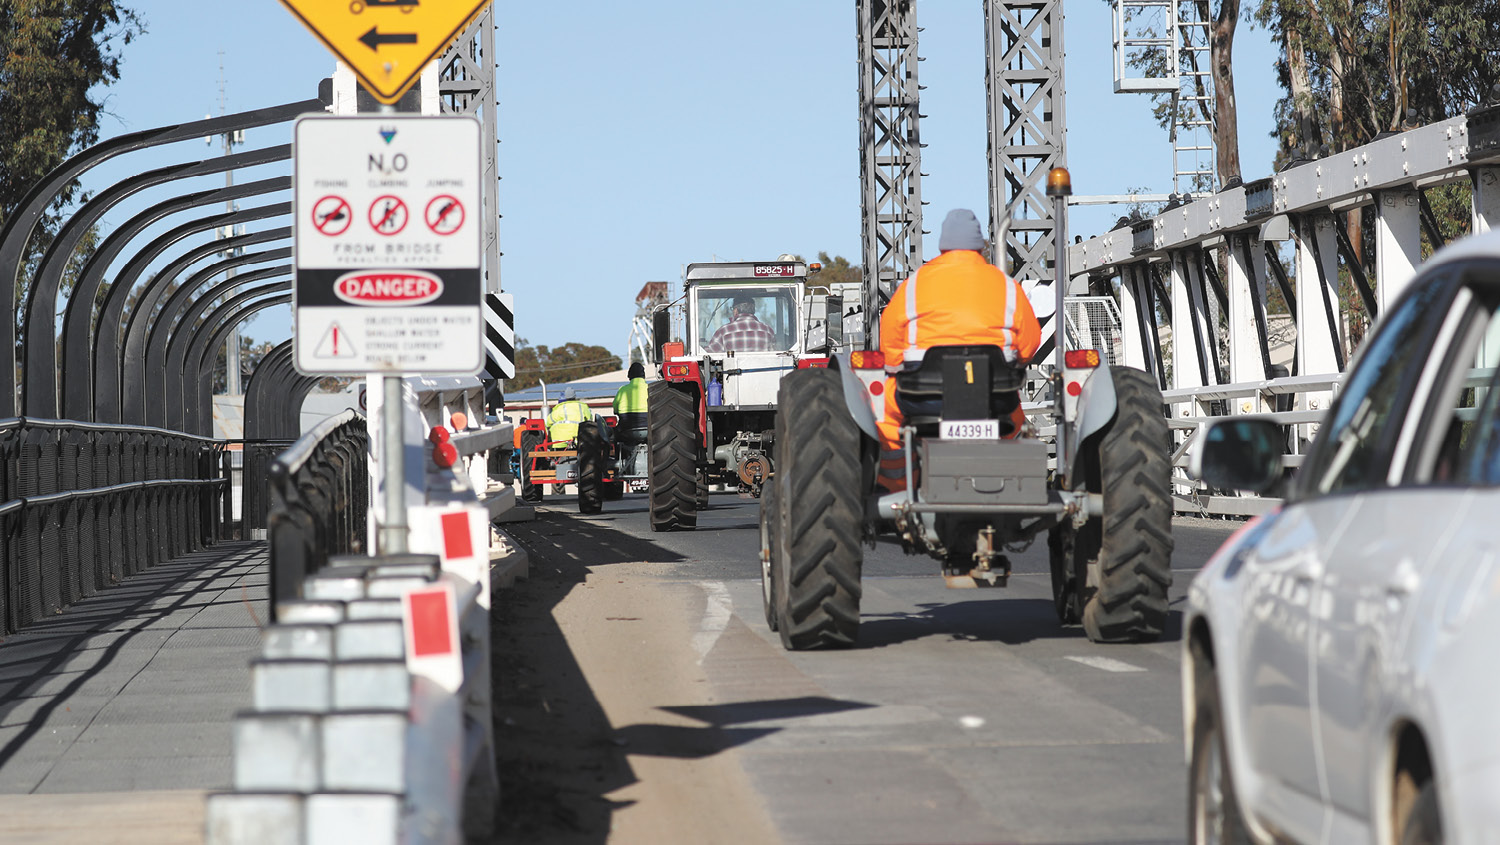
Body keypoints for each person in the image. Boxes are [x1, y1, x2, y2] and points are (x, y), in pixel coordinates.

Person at [875, 208, 1042, 492]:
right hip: (994, 400)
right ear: (980, 244)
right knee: (1017, 421)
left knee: (884, 415)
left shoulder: (914, 285)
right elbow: (1029, 345)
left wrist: (896, 370)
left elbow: (889, 348)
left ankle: (898, 488)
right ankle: (1013, 486)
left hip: (924, 401)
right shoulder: (1007, 286)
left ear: (943, 244)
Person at [703, 294, 775, 353]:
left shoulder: (724, 331)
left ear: (736, 311)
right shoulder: (767, 331)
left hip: (732, 370)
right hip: (762, 370)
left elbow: (710, 354)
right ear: (753, 311)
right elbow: (776, 354)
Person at [612, 362, 650, 432]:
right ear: (643, 375)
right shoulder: (650, 389)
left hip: (626, 426)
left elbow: (615, 407)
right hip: (648, 425)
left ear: (629, 376)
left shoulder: (622, 390)